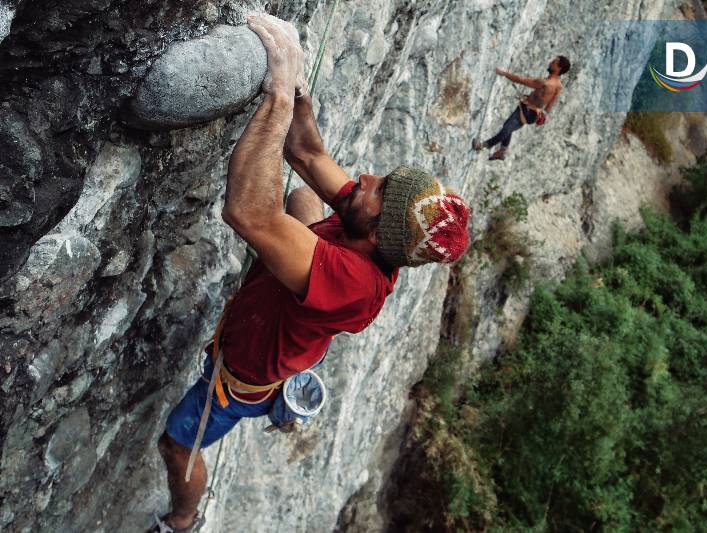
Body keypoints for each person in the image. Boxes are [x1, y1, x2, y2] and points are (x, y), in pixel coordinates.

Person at [148, 14, 471, 532]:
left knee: (177, 444)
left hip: (247, 374)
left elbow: (247, 213)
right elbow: (307, 151)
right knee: (303, 196)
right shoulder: (366, 225)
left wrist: (275, 97)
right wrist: (298, 91)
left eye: (379, 187)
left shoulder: (356, 282)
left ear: (376, 234)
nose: (365, 177)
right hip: (298, 313)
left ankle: (183, 521)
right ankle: (290, 292)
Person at [473, 56, 570, 161]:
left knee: (506, 129)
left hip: (527, 111)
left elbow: (522, 80)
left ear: (559, 68)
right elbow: (550, 105)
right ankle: (502, 152)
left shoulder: (545, 83)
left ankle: (482, 145)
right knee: (507, 126)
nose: (550, 62)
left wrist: (504, 74)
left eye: (554, 62)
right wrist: (542, 115)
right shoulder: (559, 86)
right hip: (532, 113)